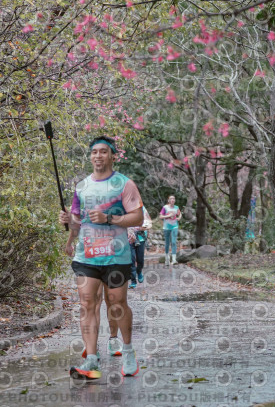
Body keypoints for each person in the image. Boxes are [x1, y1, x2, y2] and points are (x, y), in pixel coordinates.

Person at [59, 135, 142, 380]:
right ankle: (92, 359)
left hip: (116, 256)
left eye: (103, 151)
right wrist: (68, 221)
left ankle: (128, 351)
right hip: (87, 256)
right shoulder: (82, 187)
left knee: (117, 304)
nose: (98, 155)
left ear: (113, 156)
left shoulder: (124, 184)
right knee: (87, 304)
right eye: (94, 152)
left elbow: (137, 217)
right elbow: (77, 222)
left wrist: (109, 218)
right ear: (90, 156)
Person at [128, 206, 153, 288]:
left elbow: (149, 222)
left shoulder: (142, 208)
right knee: (131, 260)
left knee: (140, 260)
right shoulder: (124, 207)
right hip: (129, 238)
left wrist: (145, 227)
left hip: (141, 237)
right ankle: (133, 281)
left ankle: (139, 271)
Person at [159, 195, 181, 265]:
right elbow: (160, 216)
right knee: (167, 243)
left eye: (174, 198)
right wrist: (168, 216)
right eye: (171, 199)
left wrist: (179, 217)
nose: (172, 200)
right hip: (166, 228)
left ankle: (174, 259)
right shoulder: (165, 207)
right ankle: (167, 259)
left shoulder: (176, 207)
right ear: (168, 200)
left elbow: (180, 214)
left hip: (174, 227)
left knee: (174, 242)